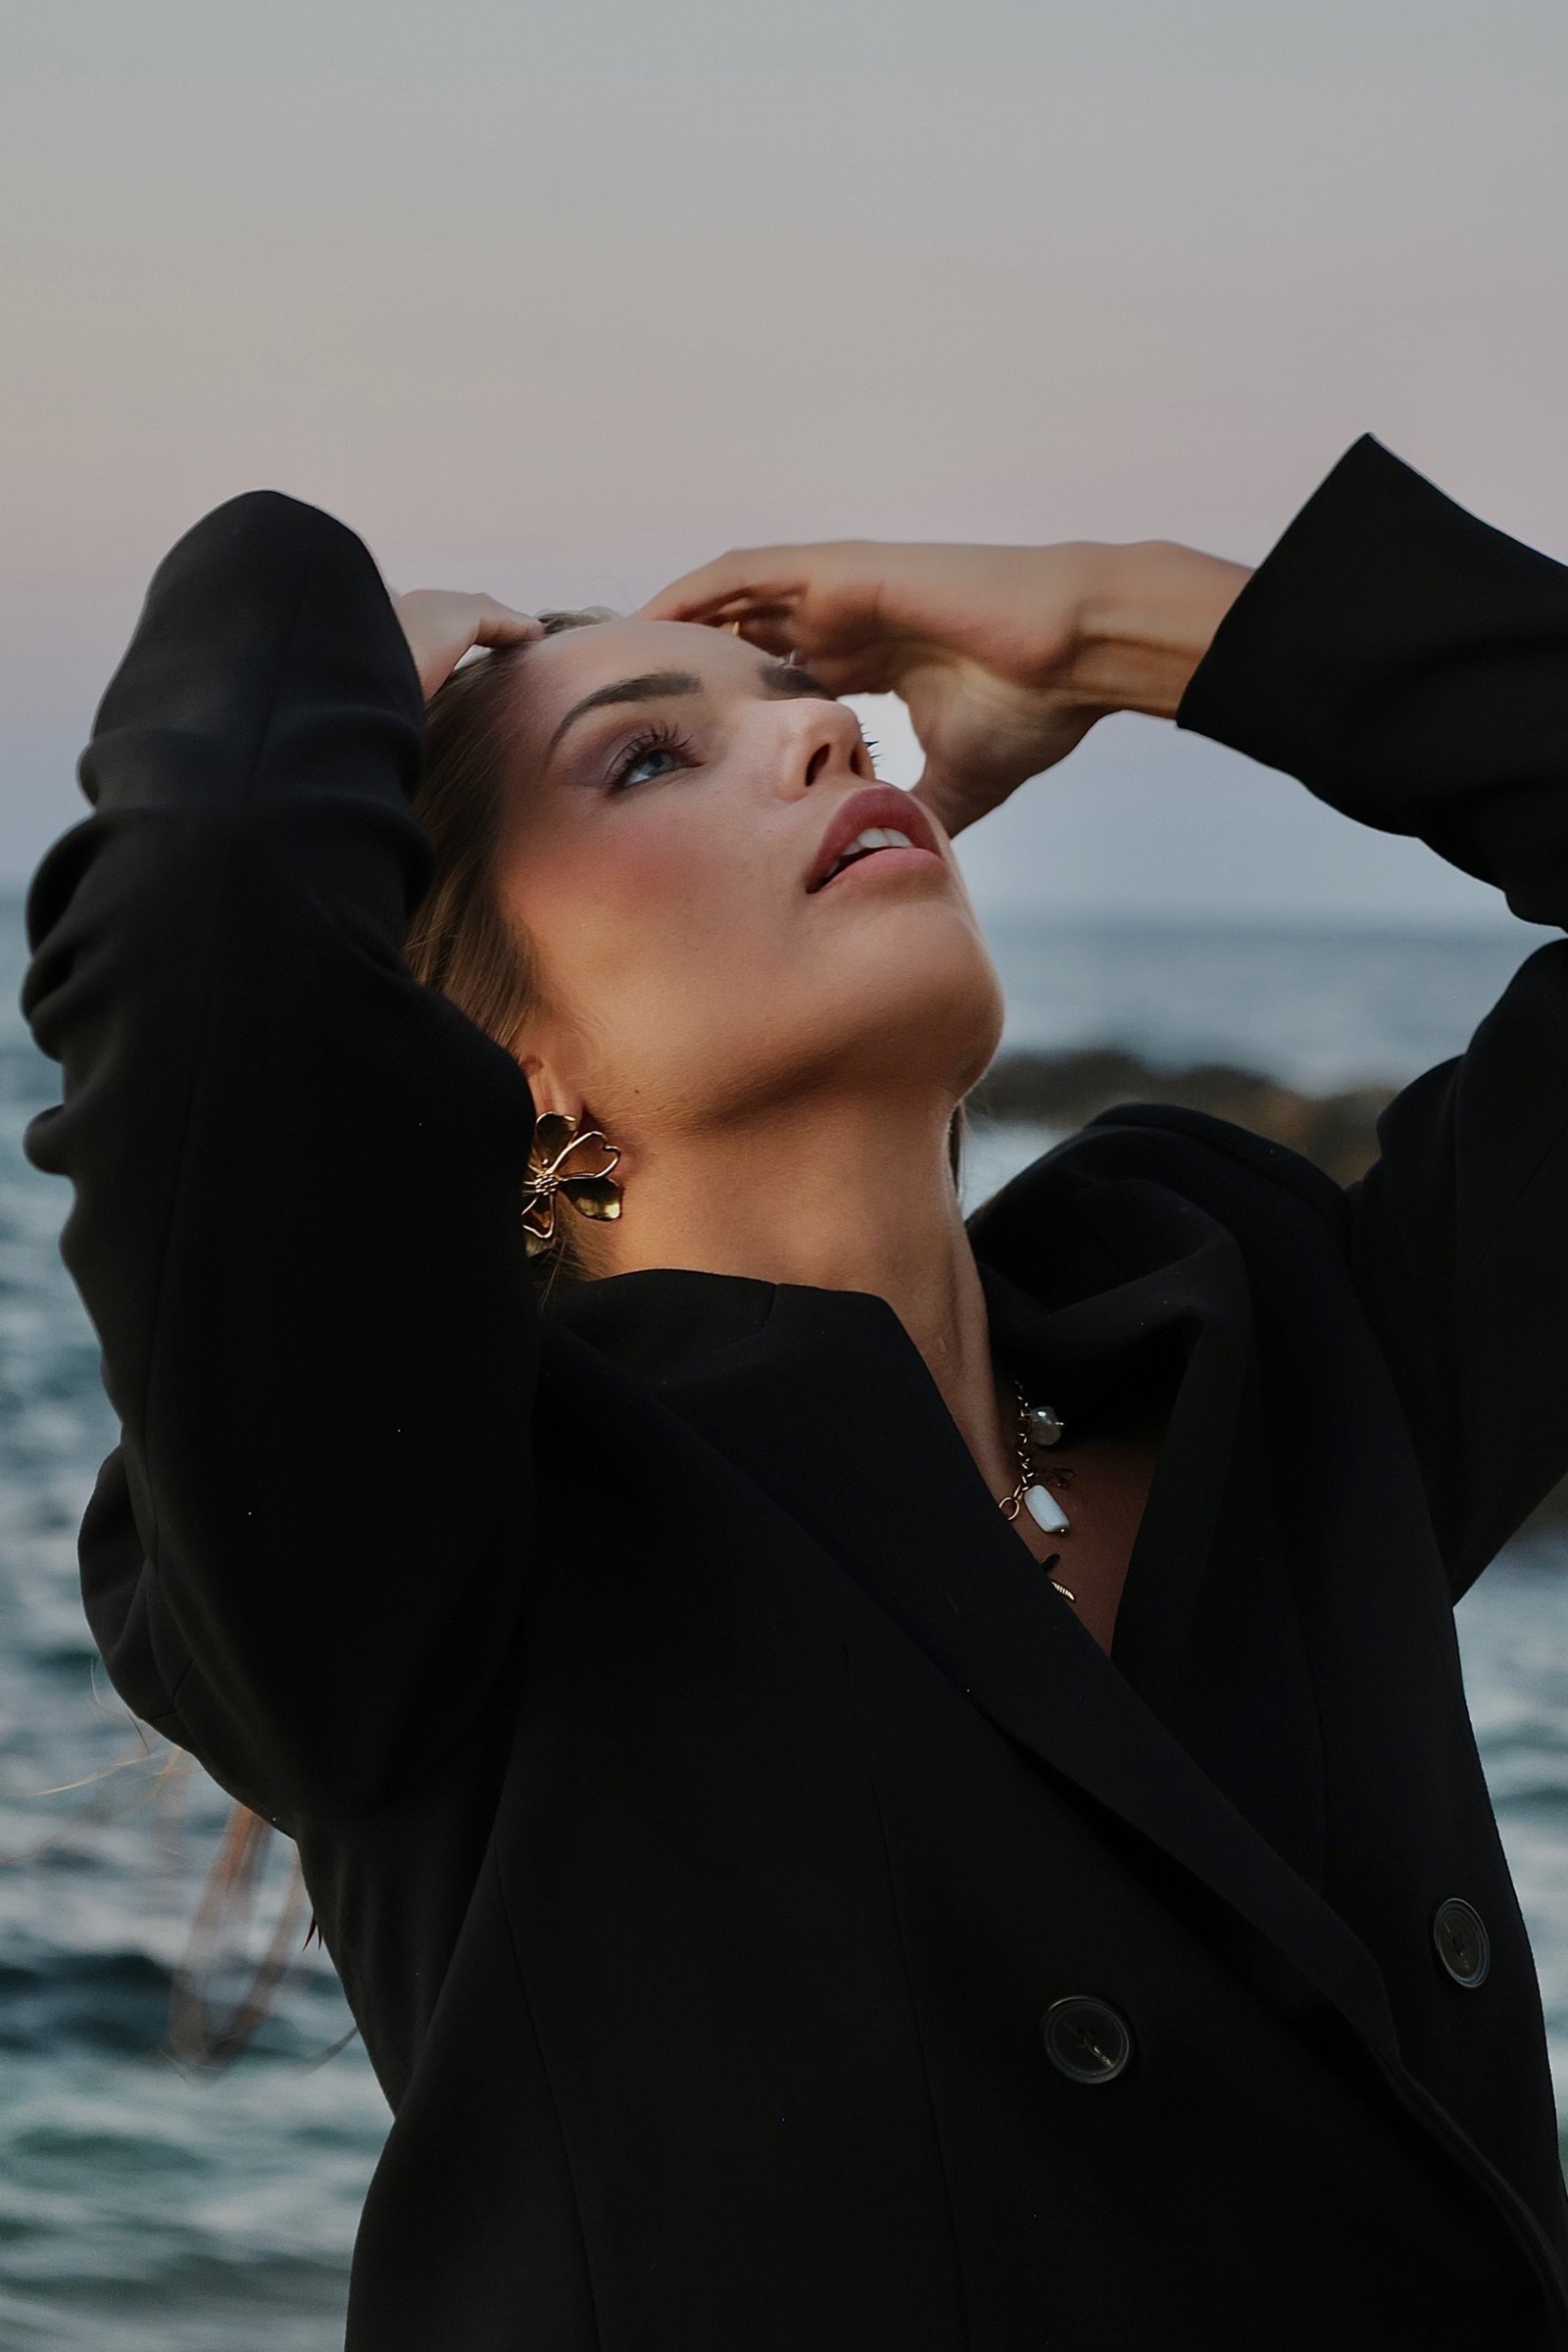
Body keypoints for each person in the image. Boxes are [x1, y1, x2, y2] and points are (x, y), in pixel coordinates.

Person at [20, 432, 1568, 2348]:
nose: (829, 739)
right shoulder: (431, 1549)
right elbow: (205, 908)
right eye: (648, 758)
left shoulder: (1271, 1352)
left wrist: (1114, 618)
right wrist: (317, 616)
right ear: (502, 1064)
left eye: (801, 705)